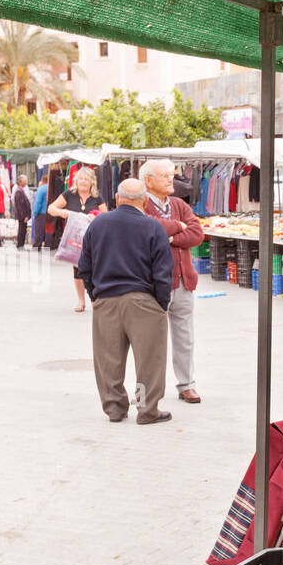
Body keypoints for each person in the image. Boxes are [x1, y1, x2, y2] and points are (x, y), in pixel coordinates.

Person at [77, 178, 174, 425]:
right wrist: (160, 305)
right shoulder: (153, 227)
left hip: (106, 301)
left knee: (108, 360)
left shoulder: (98, 224)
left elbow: (84, 267)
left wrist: (95, 296)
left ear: (117, 199)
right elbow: (163, 273)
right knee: (148, 361)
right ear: (144, 201)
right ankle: (146, 409)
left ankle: (115, 409)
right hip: (143, 302)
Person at [139, 158, 207, 404]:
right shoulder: (142, 205)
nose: (171, 179)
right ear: (148, 181)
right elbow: (147, 229)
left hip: (184, 283)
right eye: (165, 175)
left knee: (185, 338)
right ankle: (147, 390)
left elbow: (197, 234)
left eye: (171, 175)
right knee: (149, 342)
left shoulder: (179, 204)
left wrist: (168, 237)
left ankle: (187, 385)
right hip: (154, 286)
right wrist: (176, 228)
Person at [48, 166, 108, 313]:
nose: (83, 181)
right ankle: (81, 301)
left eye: (86, 179)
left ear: (92, 182)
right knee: (78, 269)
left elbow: (107, 216)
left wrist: (97, 217)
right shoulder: (69, 194)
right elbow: (51, 208)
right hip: (75, 238)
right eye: (81, 178)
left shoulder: (97, 197)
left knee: (96, 268)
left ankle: (95, 298)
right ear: (76, 180)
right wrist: (65, 213)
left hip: (94, 238)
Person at [12, 175, 32, 250]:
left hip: (23, 216)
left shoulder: (20, 190)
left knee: (23, 230)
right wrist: (24, 216)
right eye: (25, 180)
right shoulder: (18, 191)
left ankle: (21, 245)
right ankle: (20, 245)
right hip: (22, 216)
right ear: (20, 182)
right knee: (21, 230)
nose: (26, 182)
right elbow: (20, 206)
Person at [31, 174, 49, 250]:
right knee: (48, 230)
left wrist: (35, 213)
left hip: (41, 213)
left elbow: (38, 202)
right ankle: (48, 246)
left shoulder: (41, 189)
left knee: (39, 230)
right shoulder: (51, 187)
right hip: (50, 212)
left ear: (42, 181)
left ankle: (37, 246)